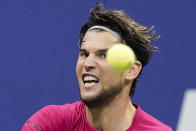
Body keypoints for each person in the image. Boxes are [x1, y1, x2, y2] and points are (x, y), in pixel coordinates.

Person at [22, 3, 173, 131]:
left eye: (103, 55)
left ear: (131, 70)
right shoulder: (50, 124)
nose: (88, 64)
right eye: (84, 54)